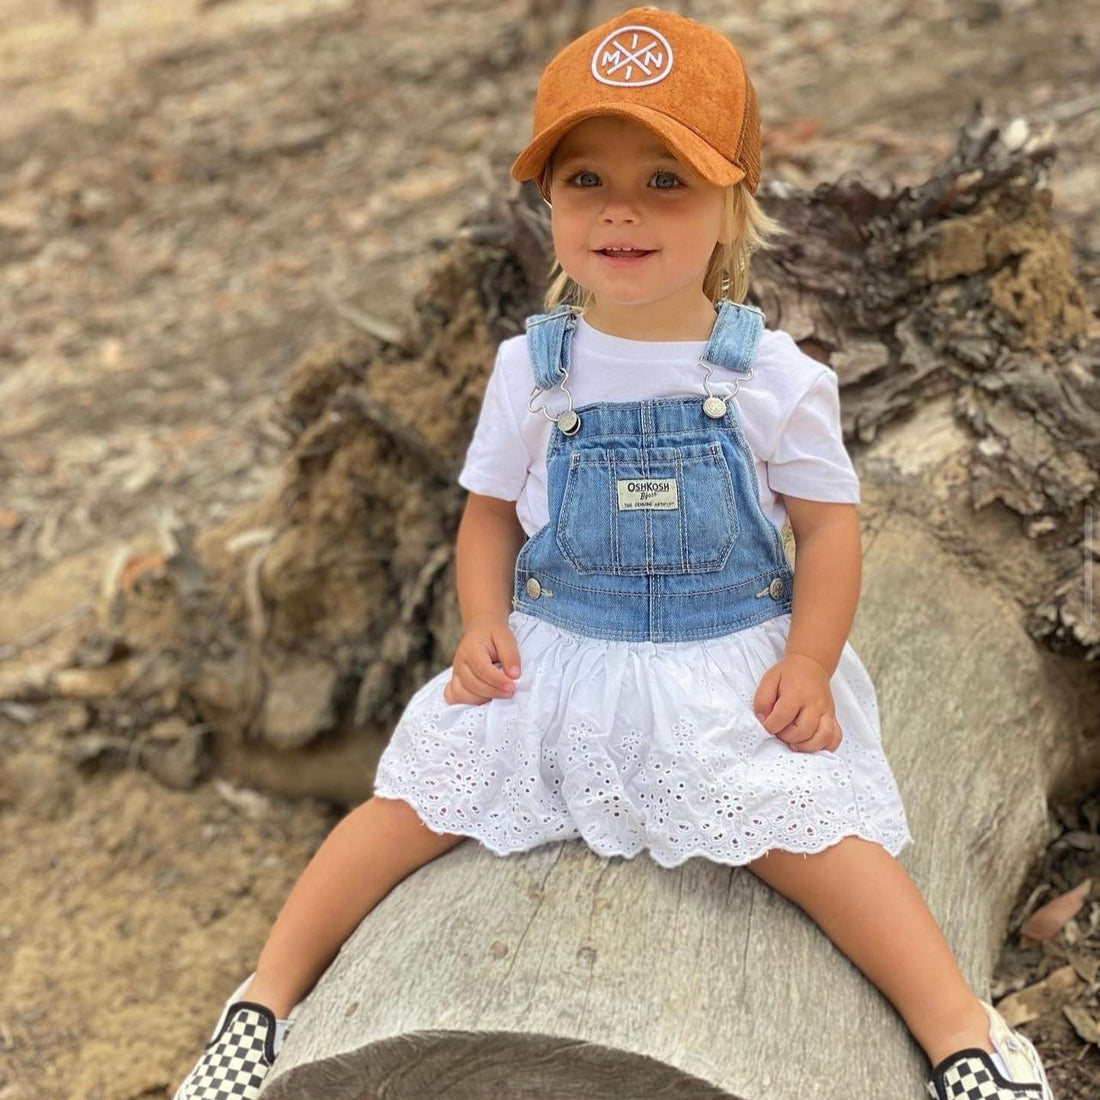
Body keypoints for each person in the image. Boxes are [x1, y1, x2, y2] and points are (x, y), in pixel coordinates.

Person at [173, 8, 1056, 1100]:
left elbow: (827, 527)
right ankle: (261, 1001)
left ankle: (961, 1041)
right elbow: (489, 511)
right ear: (546, 201)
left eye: (666, 180)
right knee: (404, 810)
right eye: (584, 178)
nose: (621, 210)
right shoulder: (534, 368)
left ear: (735, 199)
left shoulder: (769, 373)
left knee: (819, 848)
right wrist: (482, 619)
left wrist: (811, 662)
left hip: (721, 658)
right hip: (558, 653)